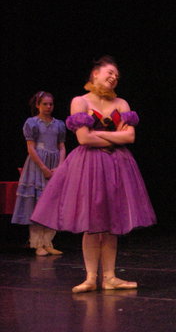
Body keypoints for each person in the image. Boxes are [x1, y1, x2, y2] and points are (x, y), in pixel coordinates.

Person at [31, 56, 156, 292]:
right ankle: (90, 277)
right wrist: (114, 137)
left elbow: (129, 137)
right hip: (89, 166)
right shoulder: (81, 101)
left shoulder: (122, 103)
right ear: (95, 73)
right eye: (110, 73)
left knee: (111, 223)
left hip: (117, 165)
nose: (114, 77)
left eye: (117, 76)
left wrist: (98, 135)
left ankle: (109, 277)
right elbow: (83, 138)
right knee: (92, 222)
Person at [12, 91, 66, 256]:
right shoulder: (32, 123)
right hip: (37, 164)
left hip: (54, 164)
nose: (48, 107)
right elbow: (31, 148)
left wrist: (60, 166)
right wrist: (43, 168)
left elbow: (61, 147)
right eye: (45, 104)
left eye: (51, 104)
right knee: (37, 204)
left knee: (52, 204)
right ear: (37, 105)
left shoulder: (59, 124)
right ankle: (37, 243)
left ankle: (48, 242)